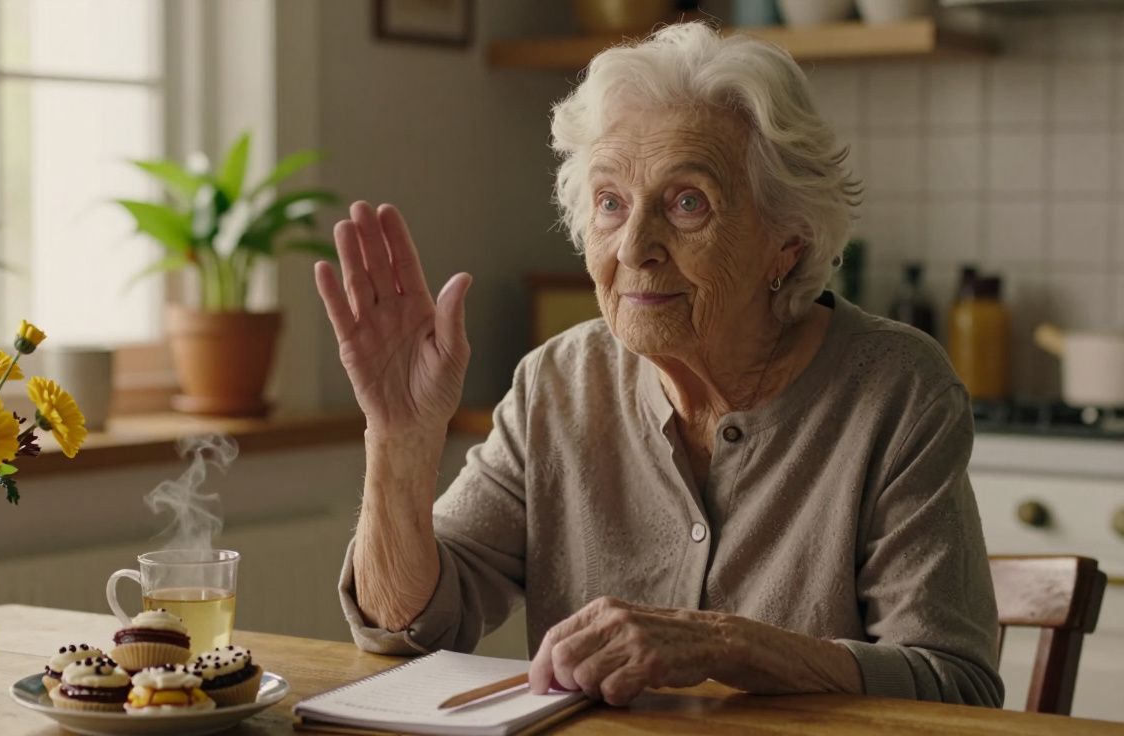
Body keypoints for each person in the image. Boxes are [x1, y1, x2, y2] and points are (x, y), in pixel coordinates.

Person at [314, 22, 1002, 708]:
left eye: (687, 203)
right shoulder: (557, 383)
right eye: (610, 203)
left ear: (787, 242)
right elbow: (409, 626)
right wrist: (399, 439)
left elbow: (956, 688)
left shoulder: (897, 388)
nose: (634, 246)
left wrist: (731, 647)